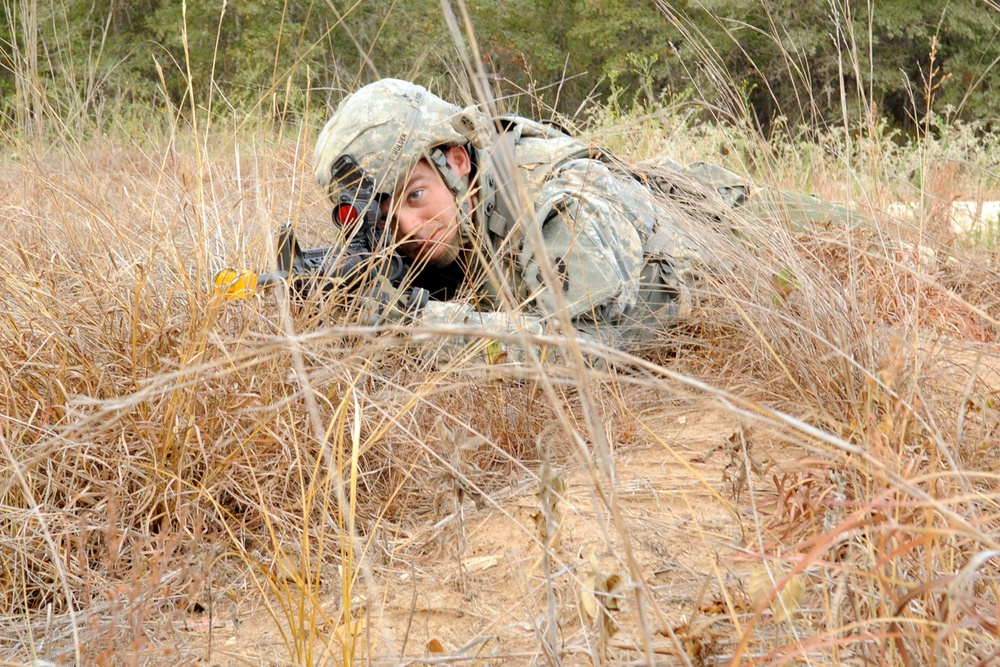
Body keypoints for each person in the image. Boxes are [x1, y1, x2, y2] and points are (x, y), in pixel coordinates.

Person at [311, 78, 862, 366]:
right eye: (384, 217)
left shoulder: (562, 204)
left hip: (780, 235)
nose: (406, 228)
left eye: (415, 194)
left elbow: (585, 353)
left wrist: (418, 322)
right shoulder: (453, 220)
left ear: (456, 161)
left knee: (925, 263)